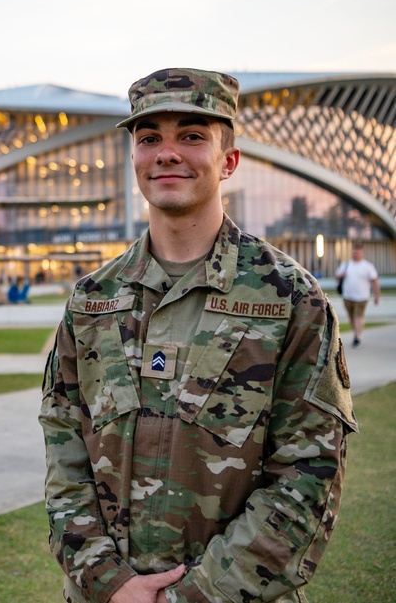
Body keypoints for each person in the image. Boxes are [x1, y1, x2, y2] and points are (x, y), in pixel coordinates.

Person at [39, 68, 357, 603]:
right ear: (134, 160)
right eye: (148, 139)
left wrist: (195, 596)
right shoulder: (92, 300)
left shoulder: (288, 298)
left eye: (191, 135)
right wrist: (110, 583)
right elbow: (64, 451)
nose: (166, 153)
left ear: (228, 160)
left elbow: (308, 474)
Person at [335, 243, 380, 347]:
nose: (355, 254)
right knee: (351, 317)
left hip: (362, 296)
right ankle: (356, 333)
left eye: (358, 252)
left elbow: (375, 281)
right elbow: (336, 276)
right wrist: (341, 275)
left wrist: (377, 295)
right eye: (354, 252)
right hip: (347, 296)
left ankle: (358, 336)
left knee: (358, 315)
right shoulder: (347, 265)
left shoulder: (368, 266)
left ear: (362, 253)